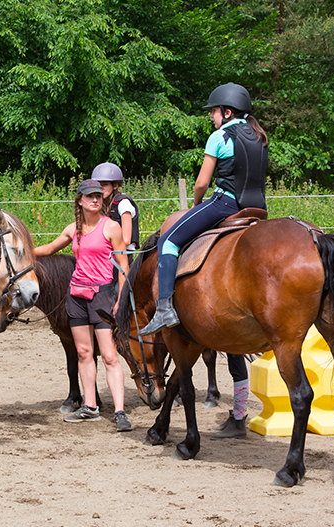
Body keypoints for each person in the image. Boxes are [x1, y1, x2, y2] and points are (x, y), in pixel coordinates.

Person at [139, 82, 269, 336]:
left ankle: (165, 308)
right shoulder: (260, 137)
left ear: (228, 112)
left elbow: (201, 183)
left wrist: (197, 203)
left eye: (214, 111)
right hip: (258, 207)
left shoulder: (219, 137)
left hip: (225, 204)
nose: (211, 116)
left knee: (167, 241)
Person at [34, 179, 132, 431]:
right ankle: (90, 406)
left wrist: (120, 298)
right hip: (76, 295)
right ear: (80, 200)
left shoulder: (111, 227)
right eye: (90, 196)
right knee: (84, 353)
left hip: (102, 295)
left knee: (109, 356)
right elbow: (50, 248)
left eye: (98, 196)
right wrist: (24, 251)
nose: (95, 200)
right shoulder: (72, 230)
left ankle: (120, 411)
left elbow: (123, 266)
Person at [90, 162, 139, 284]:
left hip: (122, 256)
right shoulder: (101, 204)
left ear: (115, 185)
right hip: (106, 255)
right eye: (98, 185)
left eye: (105, 185)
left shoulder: (123, 203)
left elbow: (126, 239)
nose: (100, 188)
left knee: (117, 292)